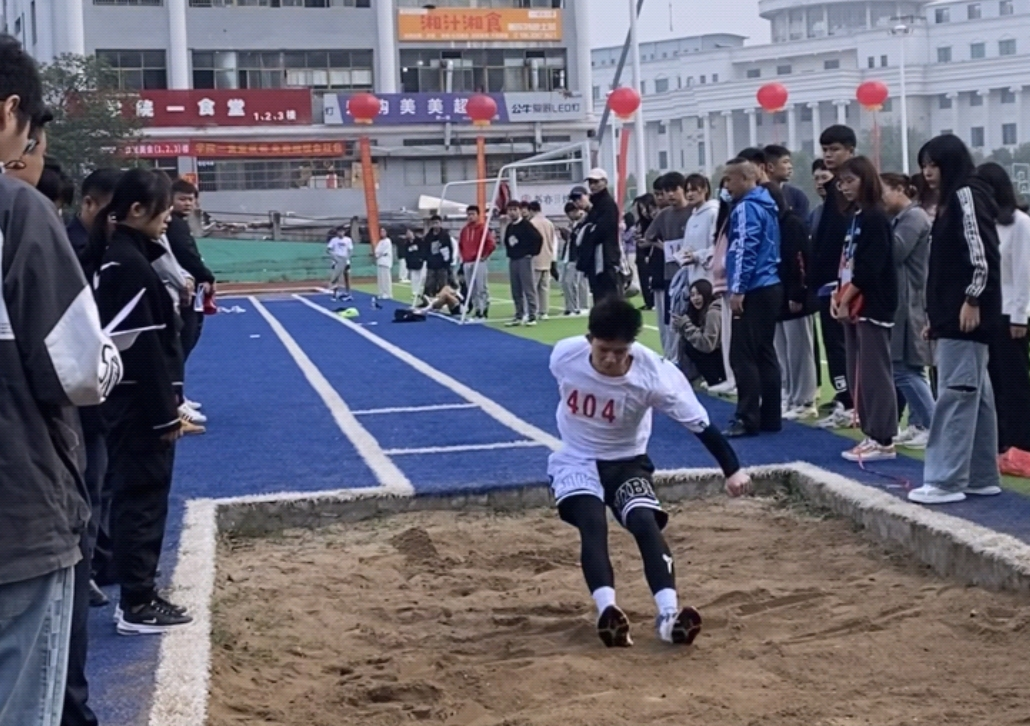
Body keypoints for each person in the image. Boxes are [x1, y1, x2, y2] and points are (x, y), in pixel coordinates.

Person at [0, 35, 123, 726]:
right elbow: (77, 372)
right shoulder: (16, 213)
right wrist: (112, 360)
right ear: (9, 110)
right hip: (14, 523)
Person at [548, 297, 750, 647]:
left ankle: (669, 616)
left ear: (632, 346)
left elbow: (699, 423)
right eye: (603, 350)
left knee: (644, 521)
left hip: (627, 461)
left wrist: (732, 470)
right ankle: (608, 612)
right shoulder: (564, 356)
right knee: (592, 523)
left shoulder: (654, 375)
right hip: (577, 459)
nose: (611, 359)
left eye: (620, 352)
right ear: (589, 340)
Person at [91, 169, 191, 636]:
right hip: (136, 405)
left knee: (136, 496)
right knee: (142, 498)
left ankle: (138, 592)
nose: (169, 216)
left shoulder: (126, 256)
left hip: (132, 401)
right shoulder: (128, 264)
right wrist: (164, 415)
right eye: (164, 208)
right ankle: (137, 601)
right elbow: (143, 349)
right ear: (136, 210)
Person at [908, 135, 1003, 505]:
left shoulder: (966, 196)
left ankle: (945, 480)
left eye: (933, 165)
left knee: (956, 394)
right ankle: (980, 475)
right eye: (924, 166)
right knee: (976, 395)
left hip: (968, 314)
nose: (928, 173)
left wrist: (972, 299)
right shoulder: (953, 200)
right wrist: (938, 317)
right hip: (953, 313)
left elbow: (982, 254)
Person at [831, 157, 898, 461]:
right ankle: (871, 433)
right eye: (841, 182)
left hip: (873, 304)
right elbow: (848, 262)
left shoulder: (876, 217)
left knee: (874, 374)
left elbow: (871, 267)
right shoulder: (855, 217)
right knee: (857, 372)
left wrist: (847, 299)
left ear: (866, 180)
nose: (844, 187)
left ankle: (883, 438)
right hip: (852, 301)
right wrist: (838, 296)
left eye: (850, 181)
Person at [722, 158, 783, 438]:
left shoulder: (747, 208)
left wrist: (738, 289)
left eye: (729, 179)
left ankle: (747, 417)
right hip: (770, 284)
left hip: (755, 287)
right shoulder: (767, 205)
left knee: (742, 354)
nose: (726, 186)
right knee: (765, 352)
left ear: (746, 179)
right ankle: (770, 415)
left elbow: (744, 248)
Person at [977, 162, 1030, 460]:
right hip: (988, 310)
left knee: (1014, 381)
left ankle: (1022, 443)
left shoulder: (1020, 223)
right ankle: (999, 440)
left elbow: (1024, 272)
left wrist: (1020, 316)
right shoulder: (984, 224)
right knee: (992, 380)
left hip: (1011, 312)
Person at [881, 173, 934, 450]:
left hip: (911, 301)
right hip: (905, 301)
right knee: (910, 367)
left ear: (900, 189)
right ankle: (919, 424)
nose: (879, 199)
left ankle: (934, 425)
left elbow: (896, 251)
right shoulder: (902, 218)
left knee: (903, 368)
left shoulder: (913, 218)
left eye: (882, 192)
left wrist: (876, 229)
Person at [812, 126, 858, 429]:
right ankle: (845, 398)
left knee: (848, 346)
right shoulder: (832, 191)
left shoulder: (855, 191)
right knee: (835, 344)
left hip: (848, 282)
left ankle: (854, 403)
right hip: (828, 282)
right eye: (825, 150)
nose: (829, 155)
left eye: (835, 149)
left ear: (850, 150)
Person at [165, 179, 213, 422]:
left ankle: (178, 394)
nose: (187, 203)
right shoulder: (172, 225)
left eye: (190, 199)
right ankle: (174, 400)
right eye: (181, 199)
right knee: (181, 343)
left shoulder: (178, 224)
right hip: (180, 290)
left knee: (186, 341)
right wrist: (206, 276)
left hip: (187, 287)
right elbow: (184, 255)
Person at [774, 177, 819, 421]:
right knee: (784, 351)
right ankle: (790, 394)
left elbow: (801, 259)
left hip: (795, 296)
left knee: (800, 350)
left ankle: (805, 399)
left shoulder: (792, 223)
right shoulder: (774, 224)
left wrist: (798, 292)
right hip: (778, 294)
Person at [644, 172, 693, 359]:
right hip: (671, 276)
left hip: (693, 274)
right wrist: (663, 247)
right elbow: (647, 237)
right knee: (672, 321)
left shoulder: (695, 212)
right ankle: (673, 359)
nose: (670, 195)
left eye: (674, 190)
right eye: (666, 191)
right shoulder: (664, 215)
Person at [576, 168, 623, 302]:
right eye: (590, 182)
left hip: (606, 258)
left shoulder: (607, 204)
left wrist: (590, 232)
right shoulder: (596, 204)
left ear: (605, 182)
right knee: (599, 296)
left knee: (608, 297)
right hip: (596, 258)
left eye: (596, 182)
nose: (593, 185)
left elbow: (602, 230)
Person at [672, 279, 726, 387]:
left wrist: (687, 326)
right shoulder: (699, 312)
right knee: (685, 341)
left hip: (726, 358)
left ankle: (716, 380)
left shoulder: (713, 312)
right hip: (720, 356)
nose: (695, 298)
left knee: (691, 347)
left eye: (699, 294)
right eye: (692, 295)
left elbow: (707, 345)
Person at [502, 200, 543, 326]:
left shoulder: (526, 225)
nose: (512, 212)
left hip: (524, 259)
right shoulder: (510, 227)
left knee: (528, 287)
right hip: (513, 259)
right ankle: (519, 314)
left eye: (515, 209)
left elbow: (538, 238)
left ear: (520, 210)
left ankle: (532, 315)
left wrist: (531, 253)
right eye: (510, 210)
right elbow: (506, 242)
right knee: (516, 289)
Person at [457, 205, 495, 318]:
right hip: (467, 262)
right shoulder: (464, 230)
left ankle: (484, 308)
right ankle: (477, 308)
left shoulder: (483, 229)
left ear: (478, 215)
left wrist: (484, 256)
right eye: (469, 214)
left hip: (478, 261)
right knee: (471, 288)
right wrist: (463, 258)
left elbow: (491, 244)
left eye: (473, 214)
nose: (470, 216)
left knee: (481, 286)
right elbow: (461, 245)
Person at [681, 173, 718, 285]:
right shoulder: (691, 218)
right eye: (687, 191)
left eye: (693, 190)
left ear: (705, 189)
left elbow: (717, 246)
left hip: (710, 276)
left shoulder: (713, 213)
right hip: (693, 276)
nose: (689, 194)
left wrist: (697, 256)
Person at [764, 144, 810, 222]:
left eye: (790, 162)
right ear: (770, 167)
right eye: (785, 162)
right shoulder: (759, 195)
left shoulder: (797, 196)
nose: (790, 166)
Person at [559, 198, 590, 316]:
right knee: (566, 282)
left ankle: (582, 306)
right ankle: (570, 307)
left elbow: (582, 240)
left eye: (570, 213)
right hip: (569, 256)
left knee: (577, 282)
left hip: (578, 256)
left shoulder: (584, 222)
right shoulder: (573, 224)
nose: (569, 216)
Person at [529, 200, 557, 320]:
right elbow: (553, 240)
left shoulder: (531, 223)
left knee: (533, 287)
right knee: (544, 287)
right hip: (547, 258)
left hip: (535, 259)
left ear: (531, 210)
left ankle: (533, 310)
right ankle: (544, 311)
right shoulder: (549, 223)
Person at [633, 192, 659, 310]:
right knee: (643, 278)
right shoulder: (641, 223)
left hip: (652, 253)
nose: (643, 211)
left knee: (650, 278)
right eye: (641, 208)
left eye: (645, 207)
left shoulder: (656, 221)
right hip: (642, 253)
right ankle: (648, 301)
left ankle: (652, 301)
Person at [423, 214, 454, 297]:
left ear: (440, 223)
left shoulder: (445, 236)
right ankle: (428, 298)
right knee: (429, 284)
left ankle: (443, 300)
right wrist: (426, 259)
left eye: (437, 223)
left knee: (443, 285)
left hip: (442, 265)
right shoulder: (428, 236)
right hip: (431, 265)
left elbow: (449, 249)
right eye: (433, 223)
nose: (435, 225)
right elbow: (425, 249)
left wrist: (448, 261)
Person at [326, 225, 354, 301]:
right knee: (336, 278)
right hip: (336, 261)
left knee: (347, 277)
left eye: (342, 231)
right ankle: (334, 294)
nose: (341, 233)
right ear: (337, 232)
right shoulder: (334, 240)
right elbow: (328, 250)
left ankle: (348, 293)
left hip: (345, 261)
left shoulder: (348, 240)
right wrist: (335, 257)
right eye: (339, 231)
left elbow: (350, 250)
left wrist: (346, 258)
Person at [402, 228, 427, 303]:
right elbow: (406, 254)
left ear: (412, 233)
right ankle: (414, 292)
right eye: (407, 233)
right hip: (412, 263)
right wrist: (408, 263)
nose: (408, 234)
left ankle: (419, 292)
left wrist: (421, 258)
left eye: (409, 232)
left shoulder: (419, 241)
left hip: (420, 262)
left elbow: (423, 250)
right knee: (414, 278)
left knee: (421, 277)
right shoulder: (406, 244)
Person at [374, 228, 394, 300]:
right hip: (380, 262)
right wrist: (377, 255)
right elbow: (377, 250)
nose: (382, 233)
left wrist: (379, 254)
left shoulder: (388, 241)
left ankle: (388, 293)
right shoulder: (380, 242)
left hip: (385, 262)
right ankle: (381, 292)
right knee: (380, 279)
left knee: (386, 279)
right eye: (381, 231)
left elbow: (384, 252)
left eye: (383, 231)